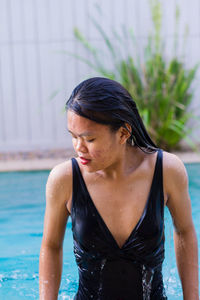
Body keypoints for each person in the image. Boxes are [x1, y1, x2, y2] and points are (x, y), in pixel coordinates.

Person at [39, 77, 199, 300]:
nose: (78, 147)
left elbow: (185, 232)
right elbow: (51, 245)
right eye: (73, 137)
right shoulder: (64, 179)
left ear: (123, 133)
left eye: (89, 139)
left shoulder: (166, 171)